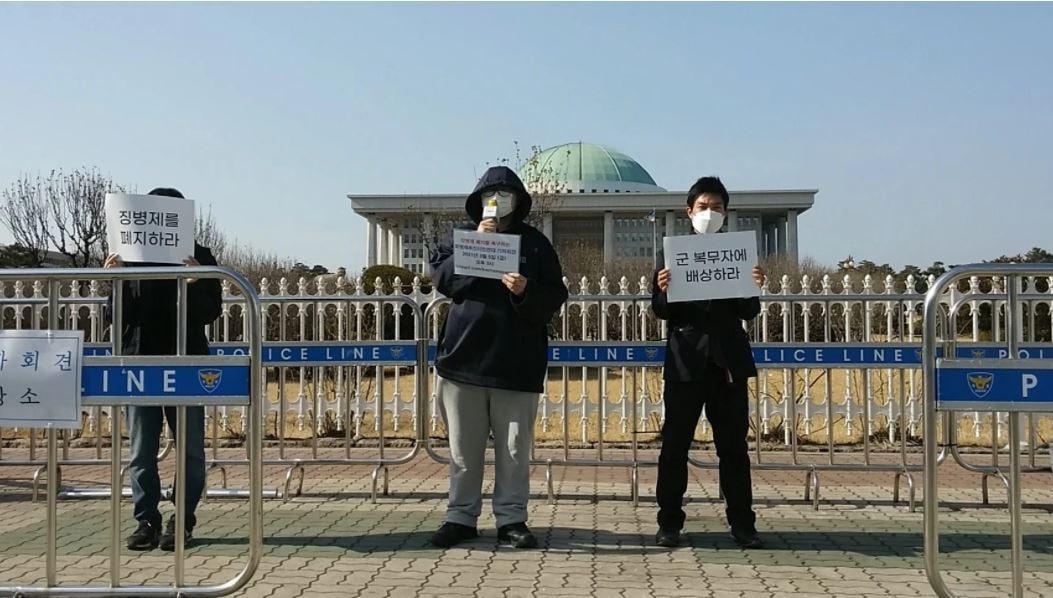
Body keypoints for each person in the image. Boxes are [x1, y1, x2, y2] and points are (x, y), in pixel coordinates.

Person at [428, 166, 568, 549]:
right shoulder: (458, 239)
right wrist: (476, 241)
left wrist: (526, 289)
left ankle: (511, 518)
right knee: (463, 450)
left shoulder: (535, 244)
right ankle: (460, 516)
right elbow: (443, 280)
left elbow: (556, 295)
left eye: (506, 193)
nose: (498, 200)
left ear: (519, 200)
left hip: (516, 364)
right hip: (463, 360)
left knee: (513, 450)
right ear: (478, 199)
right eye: (492, 193)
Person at [104, 187, 223, 551]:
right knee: (141, 449)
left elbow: (209, 313)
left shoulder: (198, 256)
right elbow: (115, 317)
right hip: (141, 361)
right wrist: (117, 279)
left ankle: (183, 520)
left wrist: (196, 281)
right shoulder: (127, 254)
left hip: (186, 361)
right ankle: (146, 521)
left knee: (190, 449)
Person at [652, 176, 766, 549]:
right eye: (703, 207)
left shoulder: (737, 253)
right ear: (689, 211)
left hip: (727, 363)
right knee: (674, 447)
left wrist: (753, 285)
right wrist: (663, 289)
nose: (709, 213)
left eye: (716, 207)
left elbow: (748, 311)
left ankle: (743, 523)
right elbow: (660, 311)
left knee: (733, 449)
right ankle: (669, 522)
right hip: (686, 361)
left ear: (726, 213)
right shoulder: (674, 253)